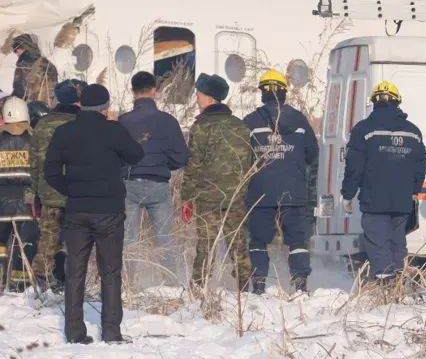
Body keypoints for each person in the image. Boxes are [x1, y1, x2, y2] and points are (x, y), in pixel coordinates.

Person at [43, 84, 143, 344]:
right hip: (109, 211)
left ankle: (74, 333)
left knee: (75, 270)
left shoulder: (64, 132)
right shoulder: (113, 130)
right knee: (110, 271)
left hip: (77, 210)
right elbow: (136, 154)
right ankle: (111, 332)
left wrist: (73, 191)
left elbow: (51, 172)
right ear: (105, 107)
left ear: (80, 104)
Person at [340, 81, 426, 282]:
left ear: (374, 102)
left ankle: (385, 285)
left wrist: (348, 194)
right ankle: (397, 283)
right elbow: (420, 165)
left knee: (378, 243)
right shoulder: (413, 131)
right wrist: (414, 191)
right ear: (397, 102)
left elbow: (354, 167)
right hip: (402, 201)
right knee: (397, 243)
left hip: (374, 199)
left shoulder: (363, 130)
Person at [243, 70, 319, 294]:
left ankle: (258, 284)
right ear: (284, 93)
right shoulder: (299, 120)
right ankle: (300, 284)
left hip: (260, 192)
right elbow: (312, 153)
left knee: (258, 240)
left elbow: (241, 156)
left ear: (262, 93)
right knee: (297, 241)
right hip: (293, 192)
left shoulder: (250, 121)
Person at [179, 74, 255, 292]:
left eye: (199, 95)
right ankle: (244, 286)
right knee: (238, 243)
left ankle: (199, 287)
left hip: (207, 198)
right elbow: (249, 163)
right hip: (236, 197)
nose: (197, 99)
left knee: (206, 245)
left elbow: (193, 165)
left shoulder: (201, 127)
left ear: (210, 98)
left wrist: (187, 198)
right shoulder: (241, 127)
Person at [118, 71, 189, 268]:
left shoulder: (123, 121)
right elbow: (181, 157)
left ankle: (129, 283)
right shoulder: (168, 121)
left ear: (132, 91)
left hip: (129, 184)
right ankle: (169, 281)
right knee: (165, 239)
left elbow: (115, 155)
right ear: (154, 91)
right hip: (159, 184)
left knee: (129, 240)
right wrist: (164, 165)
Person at [29, 78, 85, 291]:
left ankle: (40, 283)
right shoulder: (83, 123)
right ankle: (70, 281)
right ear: (79, 99)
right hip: (77, 192)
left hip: (49, 191)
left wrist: (35, 191)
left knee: (47, 240)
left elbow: (34, 162)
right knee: (77, 242)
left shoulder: (43, 124)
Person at [0, 97, 39, 290]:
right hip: (27, 200)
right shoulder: (34, 139)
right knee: (24, 243)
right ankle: (20, 284)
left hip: (1, 200)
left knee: (0, 244)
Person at [11, 34, 58, 103]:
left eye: (16, 50)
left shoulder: (23, 65)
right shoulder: (48, 64)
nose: (16, 53)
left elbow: (19, 90)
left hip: (30, 106)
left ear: (24, 47)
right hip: (49, 104)